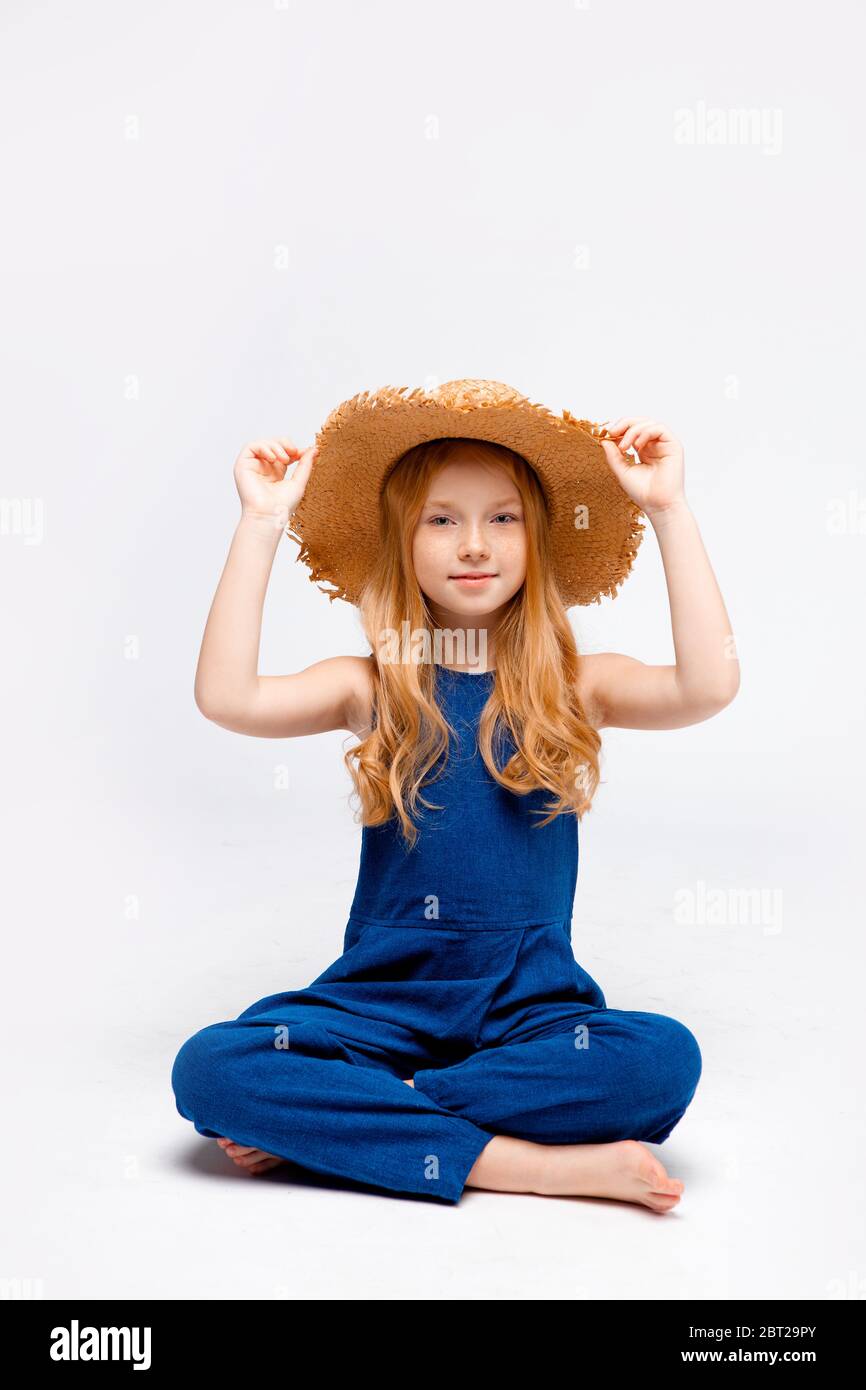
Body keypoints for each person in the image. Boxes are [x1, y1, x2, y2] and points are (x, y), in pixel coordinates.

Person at [171, 380, 739, 1212]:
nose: (474, 544)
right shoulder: (370, 686)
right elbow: (227, 697)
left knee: (662, 1059)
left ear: (536, 539)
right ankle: (536, 1167)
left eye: (502, 518)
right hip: (378, 1005)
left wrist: (670, 510)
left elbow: (710, 682)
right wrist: (262, 523)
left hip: (529, 1011)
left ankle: (348, 1120)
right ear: (402, 543)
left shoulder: (577, 686)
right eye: (442, 519)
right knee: (210, 1067)